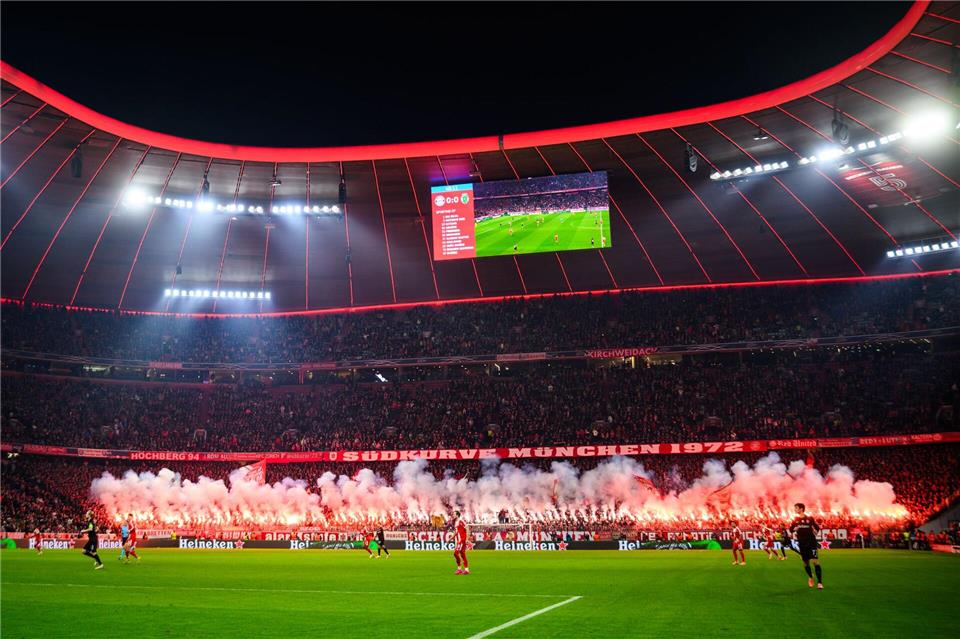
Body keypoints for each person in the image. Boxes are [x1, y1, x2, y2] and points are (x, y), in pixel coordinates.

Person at [790, 503, 823, 589]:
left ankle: (819, 582)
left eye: (796, 508)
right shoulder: (795, 520)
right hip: (802, 544)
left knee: (815, 562)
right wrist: (794, 529)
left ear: (801, 509)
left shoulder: (810, 519)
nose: (795, 510)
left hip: (811, 543)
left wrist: (815, 532)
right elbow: (790, 530)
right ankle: (810, 577)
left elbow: (817, 528)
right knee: (805, 563)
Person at [452, 510, 469, 575]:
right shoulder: (456, 522)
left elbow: (467, 528)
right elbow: (456, 532)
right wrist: (450, 538)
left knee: (455, 553)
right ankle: (466, 570)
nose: (453, 515)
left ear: (457, 515)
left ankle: (459, 569)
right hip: (459, 541)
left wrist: (467, 539)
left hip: (462, 540)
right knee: (462, 554)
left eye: (454, 514)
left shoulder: (461, 521)